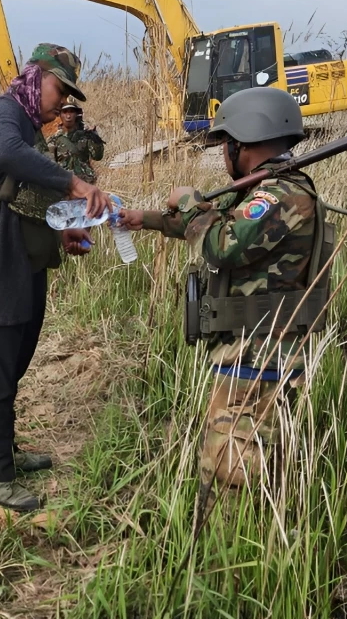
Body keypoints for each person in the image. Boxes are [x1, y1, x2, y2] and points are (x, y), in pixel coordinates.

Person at [117, 87, 328, 490]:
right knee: (253, 466)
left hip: (254, 359)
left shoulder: (279, 195)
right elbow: (225, 225)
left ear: (240, 143)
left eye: (224, 144)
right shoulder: (273, 190)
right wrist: (144, 219)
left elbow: (222, 244)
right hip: (260, 355)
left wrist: (190, 201)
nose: (223, 153)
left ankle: (228, 549)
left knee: (231, 473)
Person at [0, 43, 111, 512]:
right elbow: (7, 156)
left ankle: (6, 452)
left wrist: (65, 231)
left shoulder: (29, 126)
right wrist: (77, 184)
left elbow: (28, 196)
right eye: (58, 88)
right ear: (35, 74)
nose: (60, 102)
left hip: (25, 266)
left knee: (13, 366)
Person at [45, 102, 106, 183]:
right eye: (65, 112)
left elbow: (98, 157)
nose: (68, 116)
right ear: (60, 115)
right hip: (64, 185)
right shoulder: (54, 140)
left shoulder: (86, 136)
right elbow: (48, 166)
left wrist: (96, 139)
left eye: (71, 112)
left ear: (77, 114)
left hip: (86, 183)